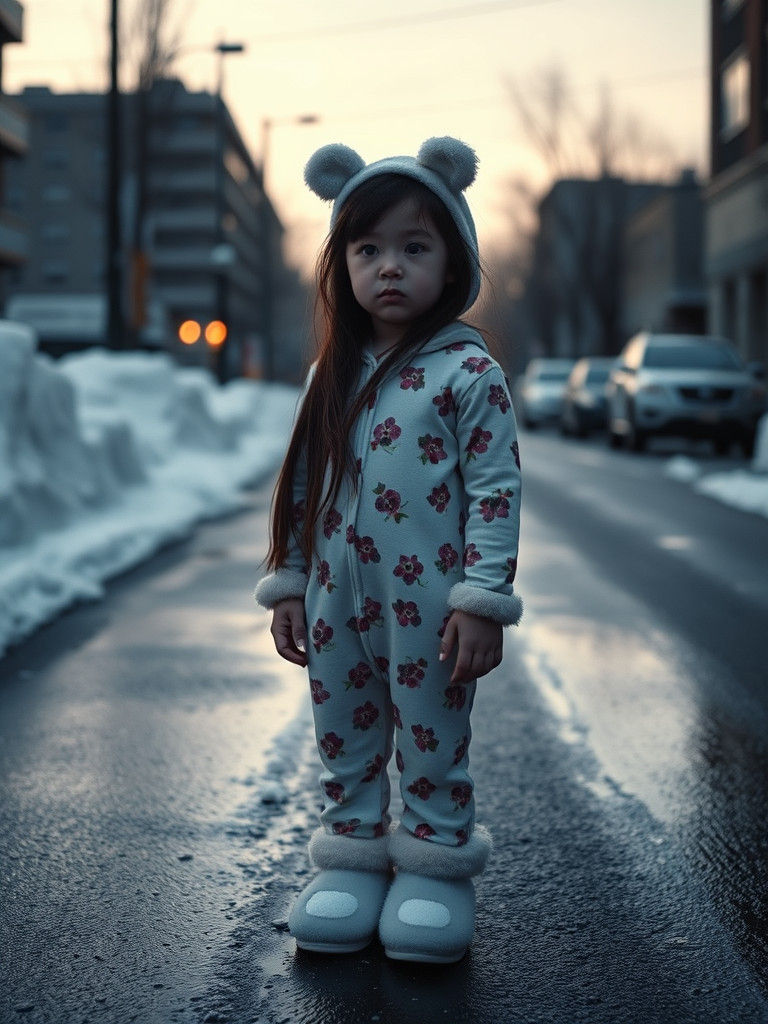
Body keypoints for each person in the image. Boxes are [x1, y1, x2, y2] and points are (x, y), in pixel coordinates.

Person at [254, 137, 522, 964]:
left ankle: (436, 868)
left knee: (433, 734)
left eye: (415, 247)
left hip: (431, 608)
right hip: (337, 600)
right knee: (343, 728)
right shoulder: (327, 376)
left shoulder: (468, 373)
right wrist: (290, 580)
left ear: (455, 262)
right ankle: (353, 853)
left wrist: (482, 599)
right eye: (368, 249)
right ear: (343, 267)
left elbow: (496, 492)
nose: (390, 267)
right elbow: (301, 488)